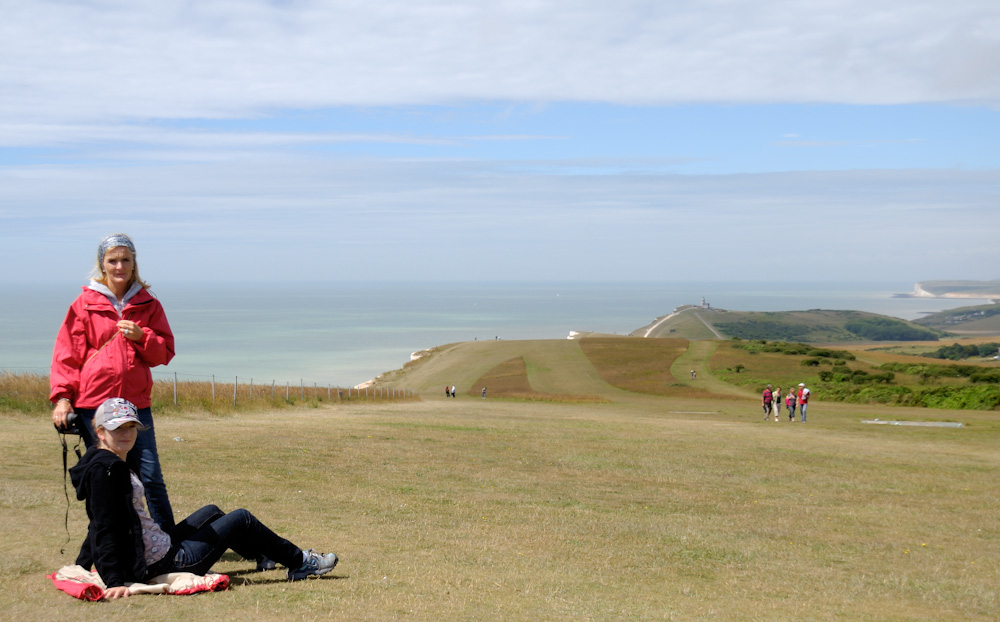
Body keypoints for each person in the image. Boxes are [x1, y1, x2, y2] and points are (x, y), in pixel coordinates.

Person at [70, 398, 338, 599]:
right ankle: (301, 562)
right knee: (241, 518)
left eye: (131, 426)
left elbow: (96, 518)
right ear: (100, 431)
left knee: (212, 511)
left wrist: (82, 565)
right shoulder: (106, 471)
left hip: (160, 545)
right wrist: (115, 580)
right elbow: (103, 525)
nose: (126, 434)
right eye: (118, 428)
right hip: (167, 560)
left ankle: (263, 557)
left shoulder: (110, 461)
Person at [50, 233, 176, 529]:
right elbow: (67, 354)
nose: (119, 266)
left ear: (134, 264)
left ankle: (167, 548)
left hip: (135, 406)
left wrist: (142, 336)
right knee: (105, 479)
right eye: (113, 260)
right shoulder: (84, 304)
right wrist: (63, 398)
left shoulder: (149, 304)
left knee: (150, 478)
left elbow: (165, 352)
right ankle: (111, 548)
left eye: (126, 260)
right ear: (102, 265)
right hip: (94, 406)